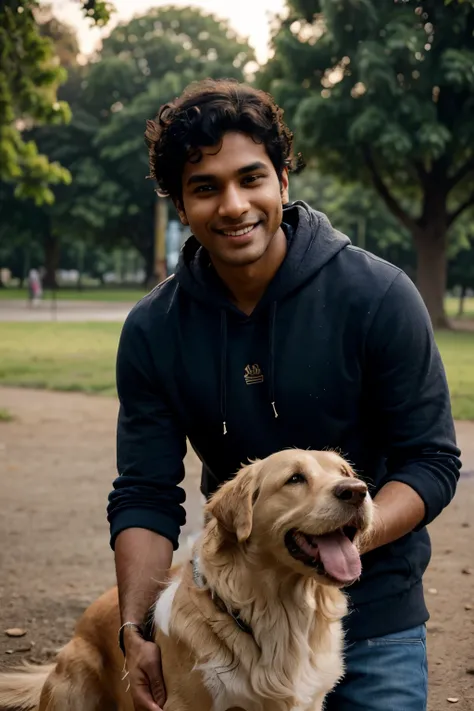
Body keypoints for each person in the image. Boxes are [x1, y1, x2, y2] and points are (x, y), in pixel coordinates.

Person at [107, 79, 461, 711]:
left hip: (373, 607)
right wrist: (135, 629)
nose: (234, 204)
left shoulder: (378, 297)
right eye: (206, 187)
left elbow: (431, 462)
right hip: (229, 621)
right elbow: (144, 492)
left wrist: (339, 541)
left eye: (252, 178)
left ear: (283, 182)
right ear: (182, 206)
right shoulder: (153, 330)